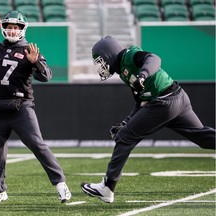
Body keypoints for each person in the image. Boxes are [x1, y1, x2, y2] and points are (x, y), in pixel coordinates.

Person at [81, 35, 216, 203]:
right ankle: (107, 187)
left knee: (125, 138)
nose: (101, 67)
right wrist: (126, 122)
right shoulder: (124, 71)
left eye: (101, 61)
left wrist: (143, 75)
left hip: (164, 102)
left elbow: (154, 58)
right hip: (177, 97)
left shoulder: (129, 55)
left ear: (108, 54)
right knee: (203, 138)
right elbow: (140, 103)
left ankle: (107, 188)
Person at [0, 11, 71, 205]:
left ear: (22, 29)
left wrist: (35, 62)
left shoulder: (29, 50)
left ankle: (60, 183)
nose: (12, 31)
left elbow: (46, 76)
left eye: (16, 27)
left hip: (21, 108)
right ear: (3, 28)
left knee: (37, 145)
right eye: (9, 27)